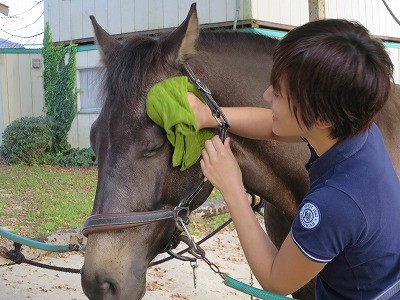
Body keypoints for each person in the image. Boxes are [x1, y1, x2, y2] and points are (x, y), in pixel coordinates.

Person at [188, 19, 400, 299]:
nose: (266, 96)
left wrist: (232, 188)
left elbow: (277, 280)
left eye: (277, 94)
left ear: (321, 117)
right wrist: (211, 115)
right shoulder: (356, 128)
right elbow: (275, 127)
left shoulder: (334, 204)